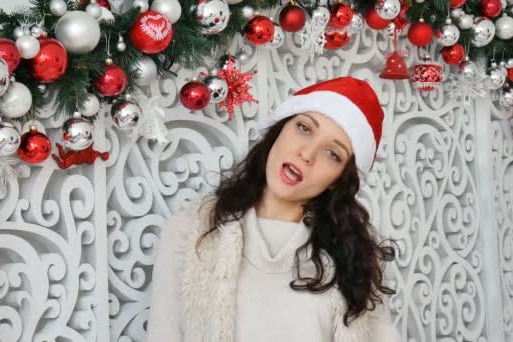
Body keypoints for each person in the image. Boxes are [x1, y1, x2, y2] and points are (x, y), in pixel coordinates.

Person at [147, 76, 401, 342]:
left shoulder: (355, 263)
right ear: (279, 130)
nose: (307, 154)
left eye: (332, 153)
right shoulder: (188, 233)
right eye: (304, 128)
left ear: (338, 180)